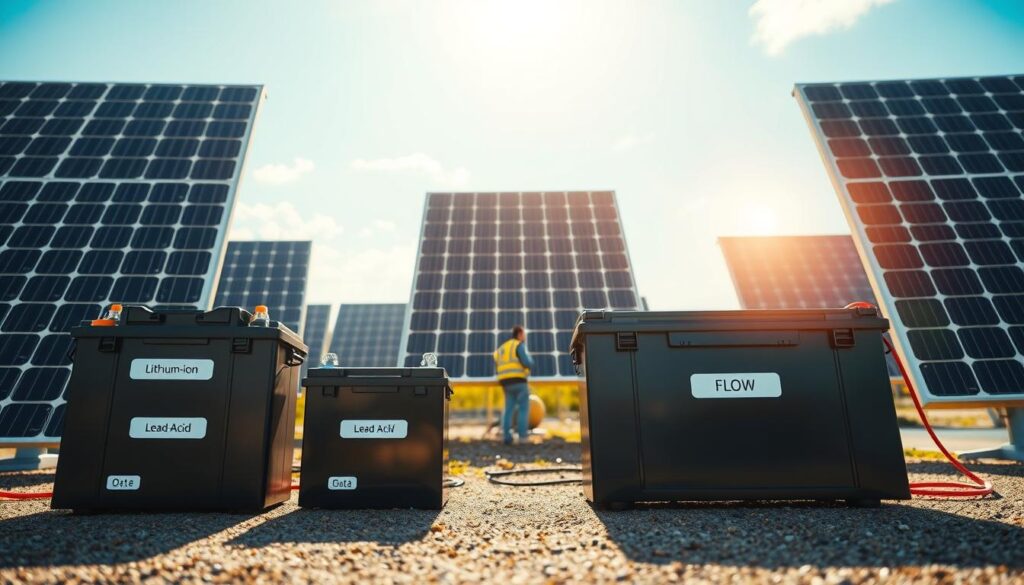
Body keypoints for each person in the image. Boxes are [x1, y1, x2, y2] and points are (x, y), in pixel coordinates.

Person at [493, 324, 536, 445]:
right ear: (520, 334)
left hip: (505, 382)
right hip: (519, 381)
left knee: (508, 409)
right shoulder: (518, 345)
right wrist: (531, 364)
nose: (525, 337)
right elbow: (527, 362)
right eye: (524, 334)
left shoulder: (502, 348)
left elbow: (496, 361)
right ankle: (522, 437)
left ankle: (507, 437)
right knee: (523, 409)